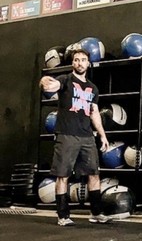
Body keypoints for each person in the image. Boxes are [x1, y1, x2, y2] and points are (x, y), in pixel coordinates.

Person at [39, 48, 111, 226]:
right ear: (73, 63)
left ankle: (96, 213)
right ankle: (63, 216)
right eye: (77, 60)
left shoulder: (93, 88)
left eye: (83, 60)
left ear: (88, 63)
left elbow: (94, 113)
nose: (80, 63)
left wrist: (102, 135)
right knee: (63, 176)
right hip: (66, 135)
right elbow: (51, 85)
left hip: (87, 136)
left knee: (94, 174)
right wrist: (44, 82)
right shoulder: (65, 80)